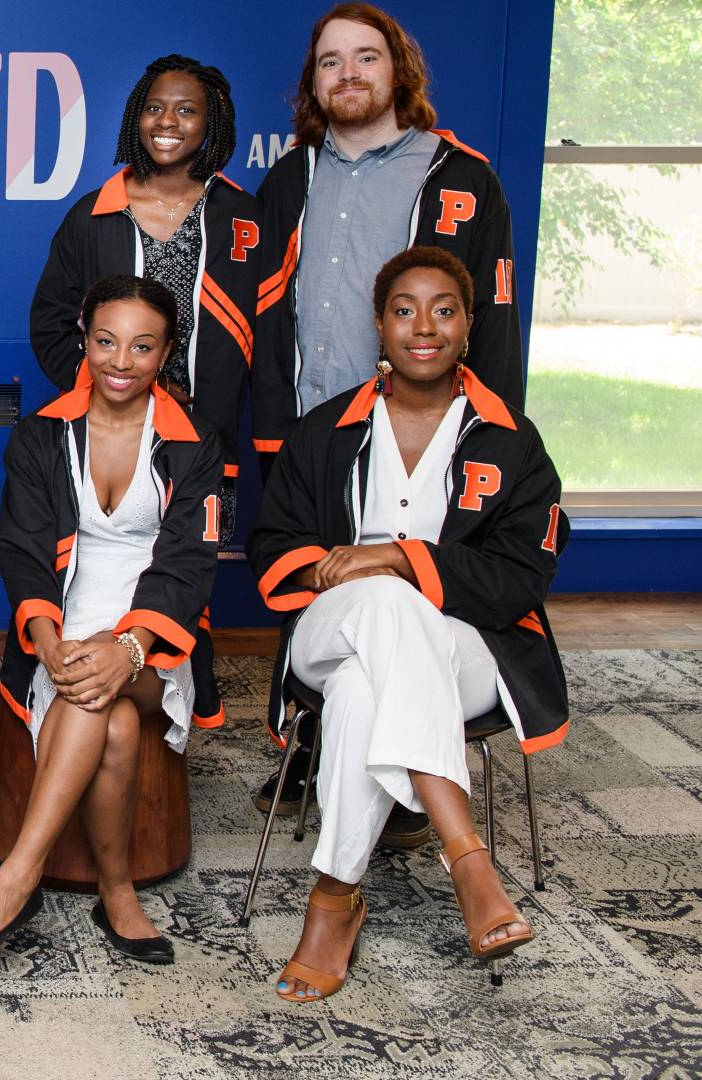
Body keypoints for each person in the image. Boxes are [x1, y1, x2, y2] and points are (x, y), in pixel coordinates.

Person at [248, 246, 567, 1002]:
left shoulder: (512, 441)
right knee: (385, 610)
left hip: (470, 646)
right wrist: (345, 567)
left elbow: (525, 574)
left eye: (444, 310)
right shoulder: (326, 429)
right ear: (379, 326)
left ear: (467, 326)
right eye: (404, 310)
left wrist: (394, 557)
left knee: (364, 686)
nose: (424, 326)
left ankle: (333, 899)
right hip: (334, 627)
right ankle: (467, 857)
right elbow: (271, 545)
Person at [250, 2, 525, 844]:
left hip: (421, 426)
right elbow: (260, 311)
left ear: (397, 70)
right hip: (309, 429)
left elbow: (494, 315)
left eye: (365, 57)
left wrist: (496, 432)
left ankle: (392, 759)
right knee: (320, 579)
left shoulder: (463, 178)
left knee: (410, 583)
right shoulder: (290, 177)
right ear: (314, 83)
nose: (348, 75)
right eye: (330, 62)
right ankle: (323, 732)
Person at [0, 275, 222, 965]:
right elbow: (22, 549)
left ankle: (16, 877)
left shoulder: (195, 442)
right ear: (84, 341)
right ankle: (118, 894)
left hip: (155, 634)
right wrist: (47, 640)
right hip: (61, 627)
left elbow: (190, 564)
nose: (121, 361)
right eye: (106, 341)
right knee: (111, 718)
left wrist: (130, 645)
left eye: (142, 346)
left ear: (166, 353)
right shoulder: (40, 436)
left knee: (110, 690)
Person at [28, 54, 256, 544]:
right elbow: (51, 322)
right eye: (154, 107)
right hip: (110, 424)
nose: (167, 122)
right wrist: (118, 381)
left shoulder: (243, 217)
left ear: (210, 122)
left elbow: (271, 327)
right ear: (137, 116)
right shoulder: (93, 215)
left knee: (192, 563)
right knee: (97, 552)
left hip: (204, 428)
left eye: (186, 110)